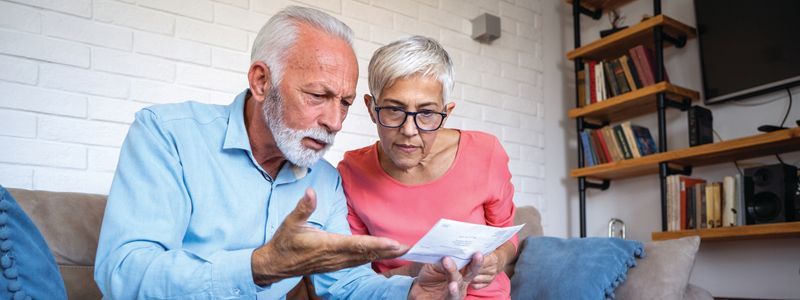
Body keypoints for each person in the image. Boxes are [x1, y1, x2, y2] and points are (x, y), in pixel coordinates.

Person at [94, 6, 483, 299]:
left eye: (345, 102)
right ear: (262, 81)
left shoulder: (325, 180)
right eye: (317, 96)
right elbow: (124, 273)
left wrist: (412, 291)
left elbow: (344, 285)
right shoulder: (167, 135)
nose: (335, 121)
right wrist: (259, 266)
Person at [337, 36, 518, 299]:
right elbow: (354, 278)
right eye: (393, 110)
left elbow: (508, 236)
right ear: (371, 108)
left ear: (447, 112)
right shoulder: (352, 171)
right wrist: (417, 271)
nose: (409, 130)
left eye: (427, 113)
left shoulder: (485, 153)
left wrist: (497, 260)